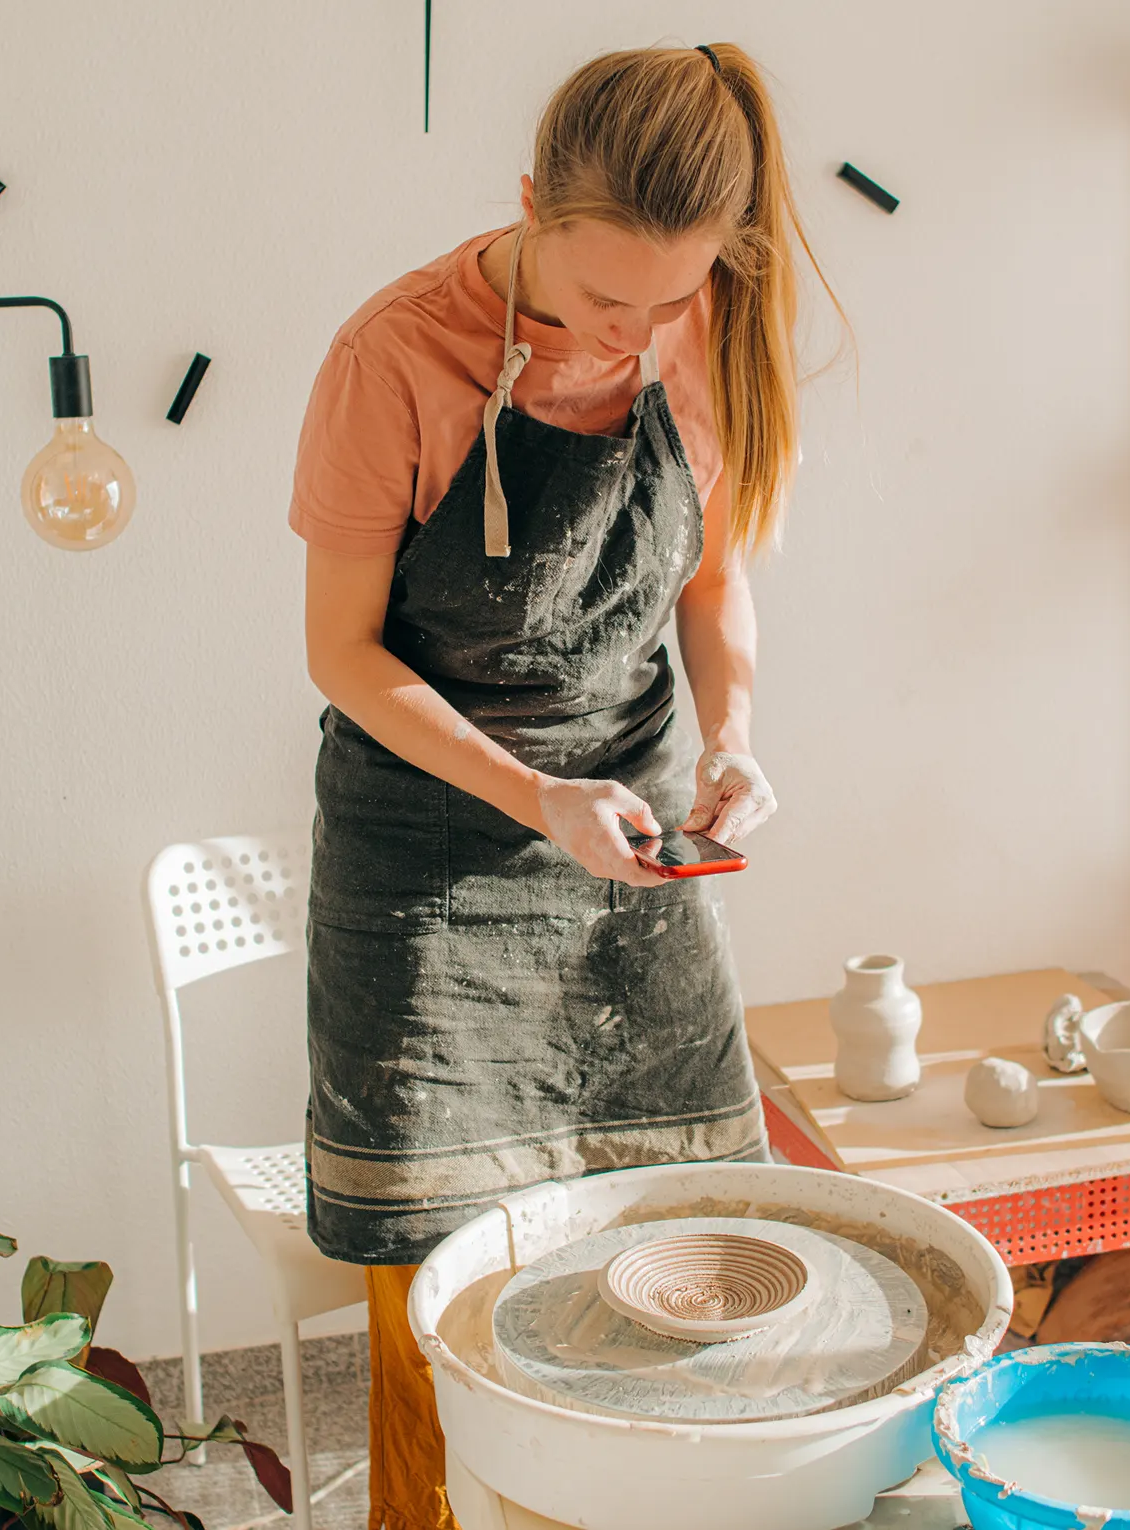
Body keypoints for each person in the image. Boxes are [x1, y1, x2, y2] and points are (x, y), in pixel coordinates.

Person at [287, 41, 832, 1528]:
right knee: (440, 1316)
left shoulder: (703, 327)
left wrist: (731, 737)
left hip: (633, 841)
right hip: (427, 864)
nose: (642, 332)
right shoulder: (393, 357)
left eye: (674, 299)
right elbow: (342, 653)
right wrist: (535, 798)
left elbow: (712, 584)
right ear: (530, 205)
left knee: (672, 1263)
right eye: (607, 302)